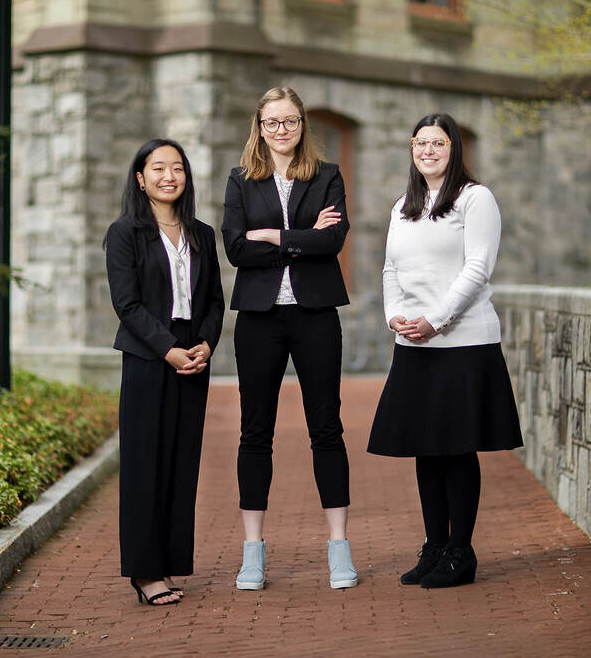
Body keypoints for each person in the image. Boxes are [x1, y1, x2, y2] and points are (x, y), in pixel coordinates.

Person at [367, 112, 523, 589]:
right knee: (425, 449)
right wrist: (396, 315)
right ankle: (435, 546)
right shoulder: (402, 206)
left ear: (454, 148)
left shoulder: (476, 200)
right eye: (420, 142)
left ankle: (461, 552)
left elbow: (478, 268)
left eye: (438, 143)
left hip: (463, 341)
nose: (428, 150)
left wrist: (436, 320)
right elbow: (390, 268)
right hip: (413, 342)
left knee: (455, 448)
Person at [221, 86, 357, 590]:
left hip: (315, 314)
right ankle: (252, 552)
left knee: (327, 427)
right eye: (272, 122)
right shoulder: (240, 181)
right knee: (255, 431)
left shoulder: (327, 176)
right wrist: (304, 241)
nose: (282, 130)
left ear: (303, 126)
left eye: (291, 121)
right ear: (259, 128)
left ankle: (338, 548)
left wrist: (274, 236)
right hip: (259, 318)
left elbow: (333, 241)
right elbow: (235, 249)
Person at [104, 139, 225, 606]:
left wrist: (207, 344)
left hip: (194, 357)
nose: (168, 176)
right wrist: (169, 351)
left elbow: (214, 299)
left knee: (180, 464)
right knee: (144, 465)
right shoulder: (124, 232)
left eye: (177, 168)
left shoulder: (201, 232)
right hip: (148, 359)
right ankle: (145, 572)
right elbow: (126, 304)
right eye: (158, 168)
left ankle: (171, 562)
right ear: (140, 177)